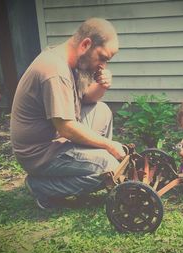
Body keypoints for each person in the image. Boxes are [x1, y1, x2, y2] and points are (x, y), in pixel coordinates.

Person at [10, 18, 125, 209]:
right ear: (86, 44)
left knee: (102, 111)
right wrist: (109, 146)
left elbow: (85, 99)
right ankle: (41, 186)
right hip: (40, 154)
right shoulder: (54, 71)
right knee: (108, 167)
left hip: (56, 139)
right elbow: (67, 128)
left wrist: (102, 85)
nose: (102, 66)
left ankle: (87, 165)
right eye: (103, 58)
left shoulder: (70, 61)